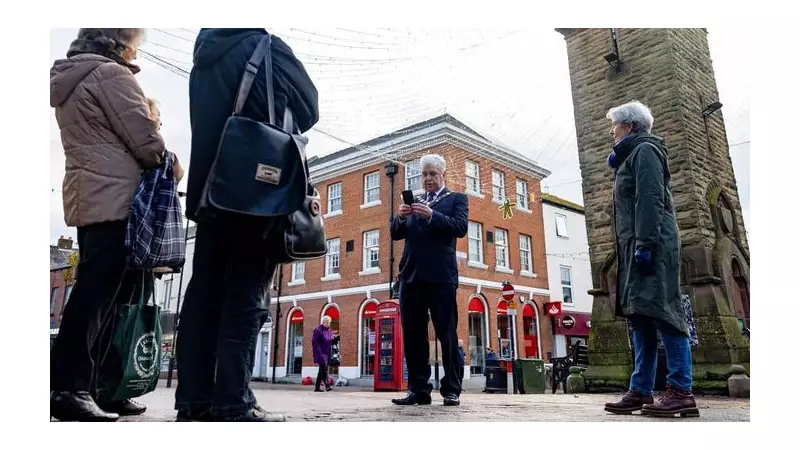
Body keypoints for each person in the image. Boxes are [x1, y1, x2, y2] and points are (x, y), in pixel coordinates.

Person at [175, 28, 318, 423]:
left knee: (203, 296)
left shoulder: (203, 55)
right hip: (256, 192)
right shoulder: (268, 46)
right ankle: (234, 402)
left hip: (210, 191)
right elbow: (310, 108)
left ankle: (193, 400)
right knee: (246, 298)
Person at [49, 28, 167, 422]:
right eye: (135, 42)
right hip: (116, 198)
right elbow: (146, 142)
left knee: (106, 296)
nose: (136, 50)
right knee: (97, 297)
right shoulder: (110, 74)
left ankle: (99, 387)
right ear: (120, 42)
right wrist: (167, 156)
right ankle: (69, 388)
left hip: (89, 194)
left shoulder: (72, 78)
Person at [602, 100, 698, 418]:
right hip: (634, 246)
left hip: (652, 245)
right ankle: (641, 389)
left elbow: (650, 198)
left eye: (615, 125)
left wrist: (645, 244)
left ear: (630, 126)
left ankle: (681, 390)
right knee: (639, 316)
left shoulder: (645, 151)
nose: (612, 131)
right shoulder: (630, 156)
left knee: (665, 313)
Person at [390, 154, 469, 407]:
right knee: (413, 336)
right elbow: (395, 233)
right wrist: (401, 217)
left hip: (442, 278)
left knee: (446, 334)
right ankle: (419, 390)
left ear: (443, 174)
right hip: (411, 277)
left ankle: (451, 390)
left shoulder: (456, 199)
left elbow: (460, 227)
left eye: (433, 174)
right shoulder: (414, 201)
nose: (428, 179)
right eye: (424, 174)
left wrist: (432, 215)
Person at [312, 316, 340, 392]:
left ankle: (317, 387)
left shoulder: (329, 330)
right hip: (320, 353)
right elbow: (314, 342)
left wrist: (336, 339)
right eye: (327, 323)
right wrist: (318, 353)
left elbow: (330, 341)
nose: (328, 324)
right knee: (324, 370)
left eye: (329, 323)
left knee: (321, 370)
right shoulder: (317, 330)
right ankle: (327, 386)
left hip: (327, 353)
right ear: (323, 322)